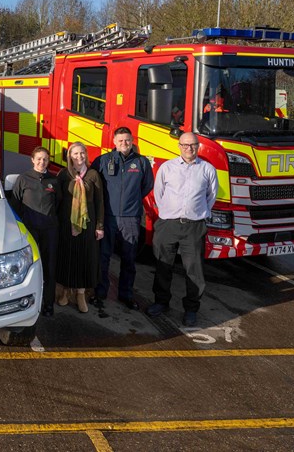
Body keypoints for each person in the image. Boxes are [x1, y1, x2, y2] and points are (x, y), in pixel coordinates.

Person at [148, 132, 218, 327]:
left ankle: (191, 309)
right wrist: (170, 212)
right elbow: (159, 193)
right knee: (163, 265)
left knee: (194, 271)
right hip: (168, 224)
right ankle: (161, 302)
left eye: (193, 145)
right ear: (179, 146)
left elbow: (211, 196)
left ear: (198, 147)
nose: (189, 148)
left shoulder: (207, 169)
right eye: (185, 145)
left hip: (194, 226)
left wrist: (196, 212)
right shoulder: (167, 168)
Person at [90, 127, 154, 310]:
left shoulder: (141, 162)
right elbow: (92, 181)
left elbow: (147, 185)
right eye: (120, 141)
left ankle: (126, 294)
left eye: (127, 140)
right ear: (114, 142)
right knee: (103, 257)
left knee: (129, 258)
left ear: (132, 140)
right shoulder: (103, 160)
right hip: (107, 217)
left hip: (130, 219)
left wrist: (131, 201)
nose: (124, 144)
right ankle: (100, 292)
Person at [12, 147, 62, 317]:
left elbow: (59, 204)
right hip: (30, 230)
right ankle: (25, 302)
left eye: (45, 159)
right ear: (32, 159)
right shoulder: (23, 179)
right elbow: (16, 204)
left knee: (49, 267)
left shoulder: (53, 181)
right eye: (39, 159)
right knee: (29, 267)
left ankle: (48, 304)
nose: (42, 162)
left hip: (50, 230)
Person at [56, 142, 104, 313]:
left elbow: (100, 203)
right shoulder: (64, 174)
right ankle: (65, 292)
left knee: (85, 258)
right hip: (66, 223)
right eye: (75, 153)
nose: (79, 157)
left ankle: (81, 294)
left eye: (82, 153)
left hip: (87, 224)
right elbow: (58, 200)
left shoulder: (93, 175)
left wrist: (99, 226)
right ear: (70, 156)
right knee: (67, 256)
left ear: (86, 154)